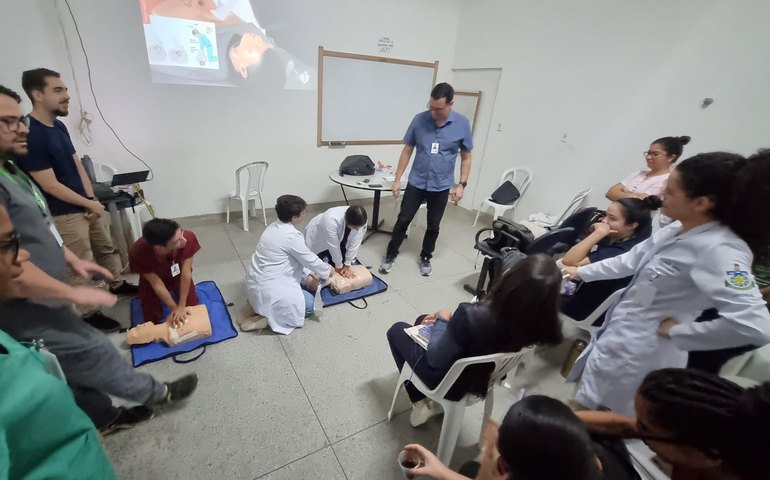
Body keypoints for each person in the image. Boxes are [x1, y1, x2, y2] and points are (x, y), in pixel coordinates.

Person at [0, 84, 198, 427]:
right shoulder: (141, 252)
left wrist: (69, 258)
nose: (21, 128)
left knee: (63, 366)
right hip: (26, 305)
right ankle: (156, 395)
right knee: (94, 350)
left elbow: (35, 226)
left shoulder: (12, 169)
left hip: (46, 294)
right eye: (8, 121)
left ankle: (104, 418)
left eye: (20, 120)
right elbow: (9, 267)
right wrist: (73, 292)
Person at [563, 151, 770, 415]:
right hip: (618, 338)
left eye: (671, 191)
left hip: (643, 357)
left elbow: (756, 327)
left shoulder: (723, 251)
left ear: (702, 203)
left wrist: (679, 333)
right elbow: (629, 261)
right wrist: (578, 273)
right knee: (583, 409)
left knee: (602, 424)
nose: (661, 195)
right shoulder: (677, 228)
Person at [0, 198, 116, 479]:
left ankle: (101, 415)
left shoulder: (11, 347)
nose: (25, 257)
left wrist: (81, 429)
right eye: (7, 244)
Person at [19, 68, 137, 333]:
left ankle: (117, 284)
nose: (67, 96)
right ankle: (88, 315)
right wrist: (86, 204)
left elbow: (77, 164)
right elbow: (49, 185)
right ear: (37, 94)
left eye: (66, 90)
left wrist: (92, 198)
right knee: (79, 264)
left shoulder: (58, 126)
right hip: (64, 214)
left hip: (86, 204)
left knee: (105, 248)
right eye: (58, 90)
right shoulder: (31, 134)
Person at [386, 254, 563, 427]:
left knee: (396, 330)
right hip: (481, 379)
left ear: (510, 278)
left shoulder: (471, 315)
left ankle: (421, 401)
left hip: (447, 382)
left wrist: (444, 317)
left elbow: (435, 358)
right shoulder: (534, 327)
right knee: (422, 320)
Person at [578, 368, 770, 480]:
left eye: (646, 429)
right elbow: (625, 426)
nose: (638, 431)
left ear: (707, 455)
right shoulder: (728, 433)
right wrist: (555, 421)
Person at [403, 395, 639, 480]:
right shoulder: (592, 460)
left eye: (498, 453)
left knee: (469, 468)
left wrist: (486, 467)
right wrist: (440, 470)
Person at [380, 82, 473, 277]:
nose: (434, 112)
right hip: (417, 182)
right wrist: (397, 179)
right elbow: (407, 151)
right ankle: (390, 254)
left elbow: (466, 157)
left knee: (433, 224)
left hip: (441, 185)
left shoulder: (462, 124)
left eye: (439, 109)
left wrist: (462, 184)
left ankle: (426, 257)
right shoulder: (419, 120)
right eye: (431, 107)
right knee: (403, 219)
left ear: (450, 104)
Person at [560, 196, 661, 324]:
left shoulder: (622, 251)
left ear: (632, 225)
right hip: (589, 296)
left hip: (592, 309)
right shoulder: (628, 234)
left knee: (536, 295)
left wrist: (598, 233)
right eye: (606, 215)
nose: (604, 221)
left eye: (612, 218)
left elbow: (568, 260)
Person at [243, 195, 334, 334]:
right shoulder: (292, 237)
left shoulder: (272, 227)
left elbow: (292, 260)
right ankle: (267, 319)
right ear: (294, 218)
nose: (304, 214)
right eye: (303, 212)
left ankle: (255, 306)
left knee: (304, 279)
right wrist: (328, 271)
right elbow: (310, 260)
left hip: (255, 284)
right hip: (270, 290)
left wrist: (310, 273)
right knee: (309, 305)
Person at [129, 218, 201, 325]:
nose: (183, 240)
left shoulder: (188, 238)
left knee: (192, 309)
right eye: (177, 241)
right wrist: (174, 308)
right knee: (151, 318)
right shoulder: (138, 252)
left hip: (178, 276)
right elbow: (156, 283)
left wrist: (181, 306)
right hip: (152, 280)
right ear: (160, 247)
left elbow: (186, 274)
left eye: (181, 233)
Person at [606, 136, 690, 201]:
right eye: (648, 153)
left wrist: (621, 194)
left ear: (671, 157)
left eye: (655, 154)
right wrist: (635, 196)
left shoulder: (667, 181)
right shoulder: (638, 173)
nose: (649, 157)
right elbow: (610, 192)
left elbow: (641, 203)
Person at [304, 205, 367, 278]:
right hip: (319, 237)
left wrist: (347, 264)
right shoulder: (330, 219)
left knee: (344, 259)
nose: (357, 229)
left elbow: (355, 243)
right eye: (355, 227)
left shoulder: (362, 220)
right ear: (347, 221)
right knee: (320, 267)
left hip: (340, 236)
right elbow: (333, 245)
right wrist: (339, 266)